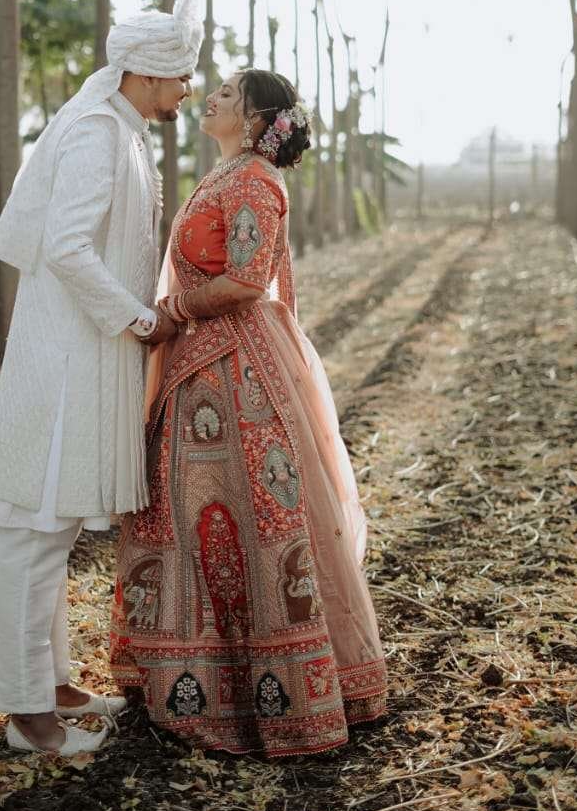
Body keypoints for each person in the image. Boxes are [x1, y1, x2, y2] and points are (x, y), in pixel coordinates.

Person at [110, 69, 388, 757]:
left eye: (230, 95)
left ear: (259, 120)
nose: (211, 97)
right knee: (189, 510)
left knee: (252, 516)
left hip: (237, 369)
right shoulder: (223, 175)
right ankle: (199, 680)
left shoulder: (256, 182)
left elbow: (245, 279)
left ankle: (277, 695)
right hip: (200, 363)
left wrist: (172, 311)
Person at [0, 0, 202, 756]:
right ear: (147, 72)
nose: (188, 90)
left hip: (84, 357)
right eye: (181, 76)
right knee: (35, 534)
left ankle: (54, 686)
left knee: (55, 526)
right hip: (63, 365)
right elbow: (67, 248)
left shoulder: (122, 130)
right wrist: (140, 319)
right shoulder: (97, 133)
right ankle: (26, 715)